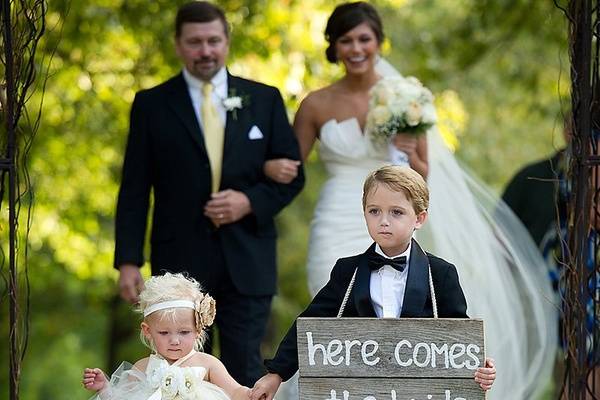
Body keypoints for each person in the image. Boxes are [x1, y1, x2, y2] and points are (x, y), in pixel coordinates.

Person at [263, 2, 556, 399]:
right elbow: (290, 168)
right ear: (333, 46)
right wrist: (268, 169)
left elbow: (422, 173)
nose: (356, 48)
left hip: (393, 206)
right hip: (338, 215)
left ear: (379, 42)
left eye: (364, 38)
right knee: (332, 317)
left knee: (401, 319)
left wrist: (408, 149)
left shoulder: (405, 98)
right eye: (345, 40)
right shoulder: (315, 104)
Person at [113, 1, 304, 387]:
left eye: (213, 40)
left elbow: (292, 176)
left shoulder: (264, 99)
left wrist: (249, 201)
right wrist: (128, 261)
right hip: (177, 262)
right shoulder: (151, 104)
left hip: (247, 258)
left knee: (245, 364)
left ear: (227, 41)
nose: (206, 50)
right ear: (179, 44)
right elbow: (135, 188)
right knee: (177, 366)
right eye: (195, 42)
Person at [250, 165, 497, 400]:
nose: (384, 221)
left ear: (419, 218)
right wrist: (276, 374)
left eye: (396, 212)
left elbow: (460, 339)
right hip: (361, 390)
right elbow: (310, 324)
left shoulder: (440, 274)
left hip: (418, 391)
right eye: (374, 211)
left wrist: (478, 367)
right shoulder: (348, 271)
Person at [83, 272, 250, 400]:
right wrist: (105, 388)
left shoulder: (207, 364)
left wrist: (253, 395)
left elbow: (235, 391)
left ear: (198, 330)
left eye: (184, 332)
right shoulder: (142, 367)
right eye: (164, 333)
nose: (175, 341)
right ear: (147, 331)